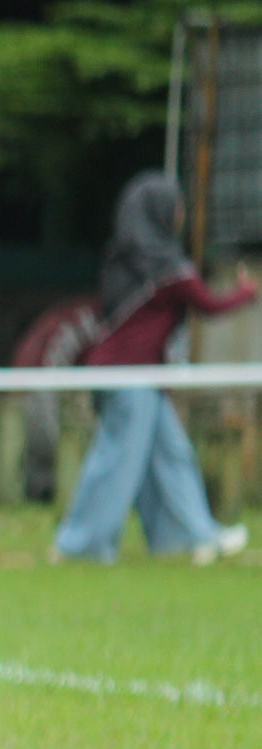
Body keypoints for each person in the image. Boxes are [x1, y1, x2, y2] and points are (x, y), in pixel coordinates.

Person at [54, 172, 253, 564]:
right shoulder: (167, 267)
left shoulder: (123, 259)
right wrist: (246, 292)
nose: (180, 215)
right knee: (115, 461)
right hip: (130, 380)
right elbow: (208, 304)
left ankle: (190, 537)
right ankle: (80, 545)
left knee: (173, 454)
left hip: (141, 379)